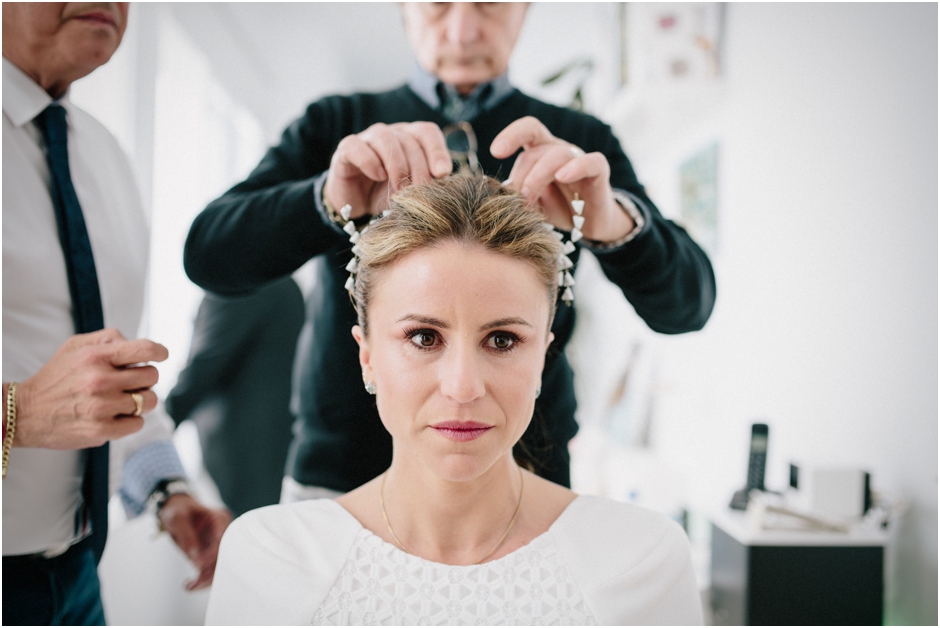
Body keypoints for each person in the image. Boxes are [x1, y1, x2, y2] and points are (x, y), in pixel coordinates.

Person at [184, 3, 716, 498]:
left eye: (488, 2)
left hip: (526, 482)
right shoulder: (335, 125)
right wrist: (325, 197)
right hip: (343, 476)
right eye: (439, 3)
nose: (463, 30)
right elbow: (209, 255)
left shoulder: (578, 137)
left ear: (525, 8)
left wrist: (610, 220)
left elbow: (688, 305)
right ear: (404, 10)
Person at [205, 176, 703, 625]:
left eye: (503, 340)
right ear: (368, 357)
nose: (463, 387)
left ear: (543, 359)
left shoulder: (640, 561)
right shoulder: (271, 559)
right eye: (424, 338)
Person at [2, 3, 229, 624]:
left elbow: (106, 374)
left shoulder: (105, 155)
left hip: (77, 579)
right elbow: (43, 403)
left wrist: (169, 495)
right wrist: (14, 413)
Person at [166, 278, 306, 517]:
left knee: (256, 535)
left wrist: (153, 428)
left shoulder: (239, 282)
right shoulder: (283, 280)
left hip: (249, 455)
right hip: (278, 446)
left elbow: (203, 368)